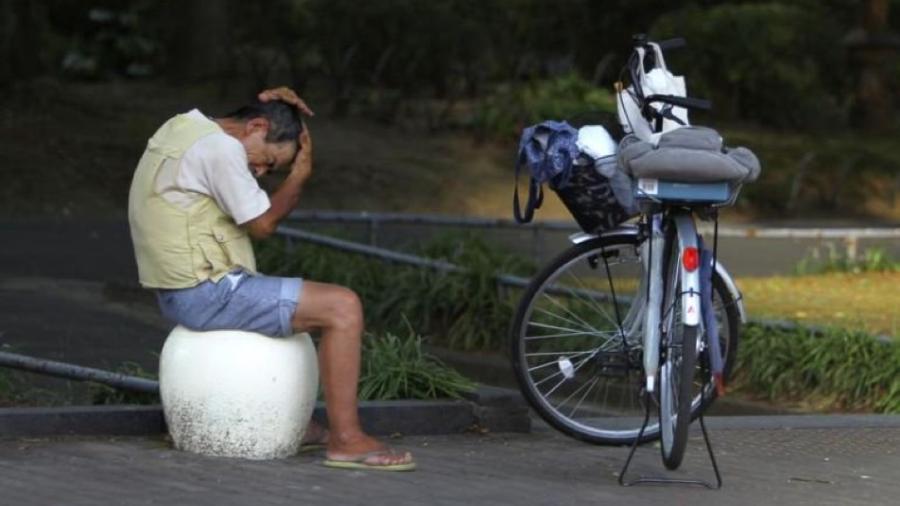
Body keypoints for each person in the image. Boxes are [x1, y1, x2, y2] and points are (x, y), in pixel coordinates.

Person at [127, 87, 415, 472]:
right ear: (257, 126)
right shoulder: (223, 149)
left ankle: (299, 425)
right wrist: (299, 175)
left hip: (179, 290)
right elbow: (263, 223)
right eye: (269, 160)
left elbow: (256, 120)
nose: (261, 172)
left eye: (271, 170)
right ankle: (347, 440)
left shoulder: (180, 127)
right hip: (207, 293)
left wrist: (277, 102)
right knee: (342, 306)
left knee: (305, 303)